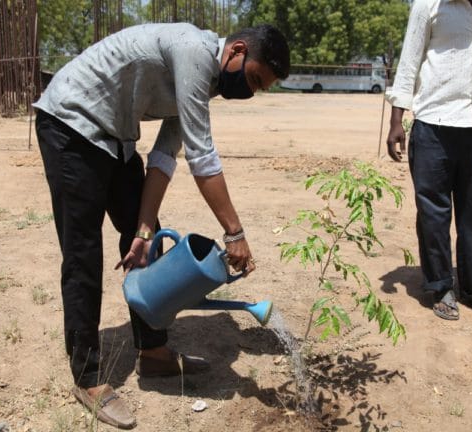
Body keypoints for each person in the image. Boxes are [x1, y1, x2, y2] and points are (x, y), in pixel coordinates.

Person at [33, 23, 290, 428]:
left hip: (114, 138)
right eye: (254, 78)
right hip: (70, 125)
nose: (251, 90)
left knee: (147, 244)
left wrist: (144, 228)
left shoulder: (205, 82)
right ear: (237, 50)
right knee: (83, 254)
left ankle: (153, 354)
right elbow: (203, 159)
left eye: (260, 88)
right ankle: (88, 378)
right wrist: (235, 233)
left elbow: (166, 157)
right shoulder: (192, 51)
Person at [385, 0, 472, 321]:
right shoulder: (429, 3)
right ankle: (440, 285)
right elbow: (410, 60)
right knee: (433, 213)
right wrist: (397, 119)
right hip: (434, 123)